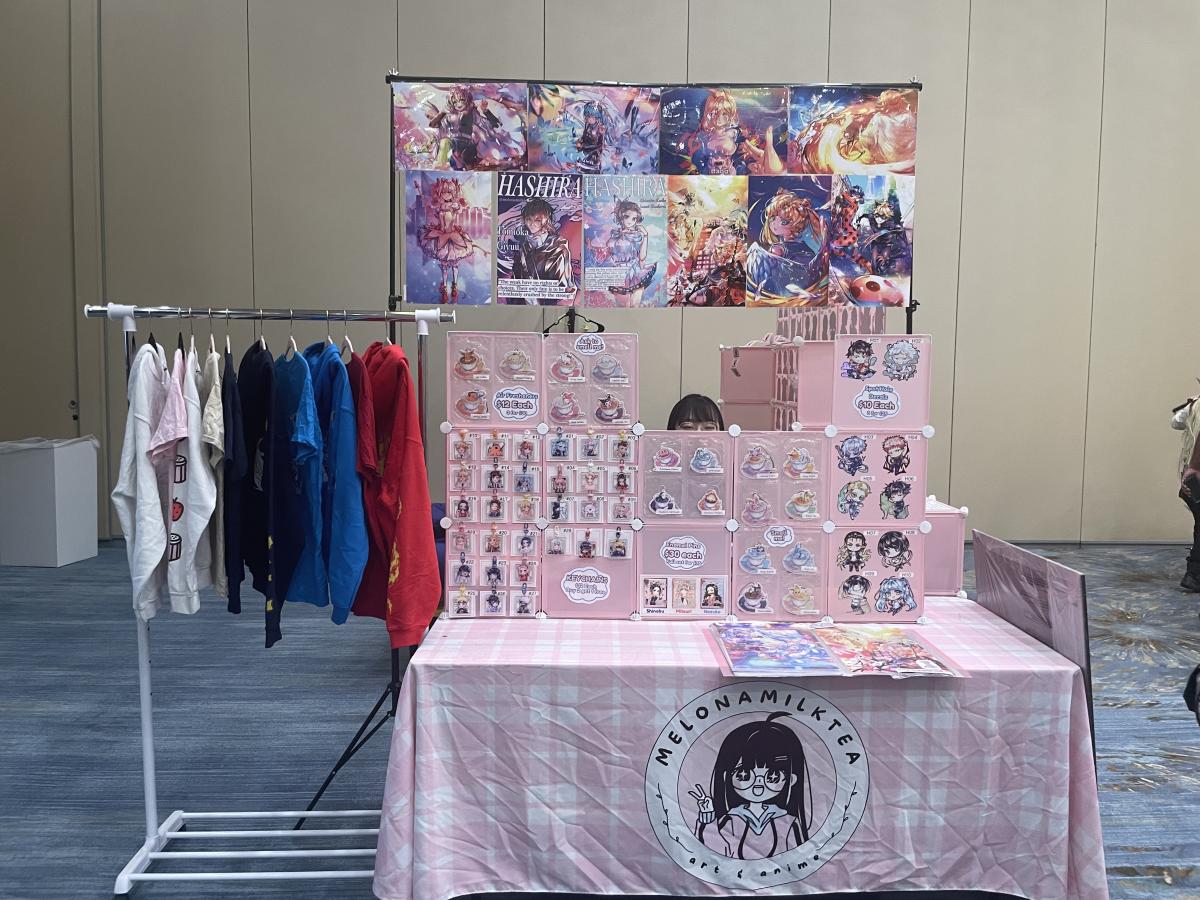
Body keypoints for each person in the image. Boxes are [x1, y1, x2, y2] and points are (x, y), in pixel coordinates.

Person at [1170, 391, 1200, 592]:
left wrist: (1190, 407)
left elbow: (1176, 422)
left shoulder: (1195, 404)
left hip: (1191, 476)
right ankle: (1194, 574)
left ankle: (1194, 574)